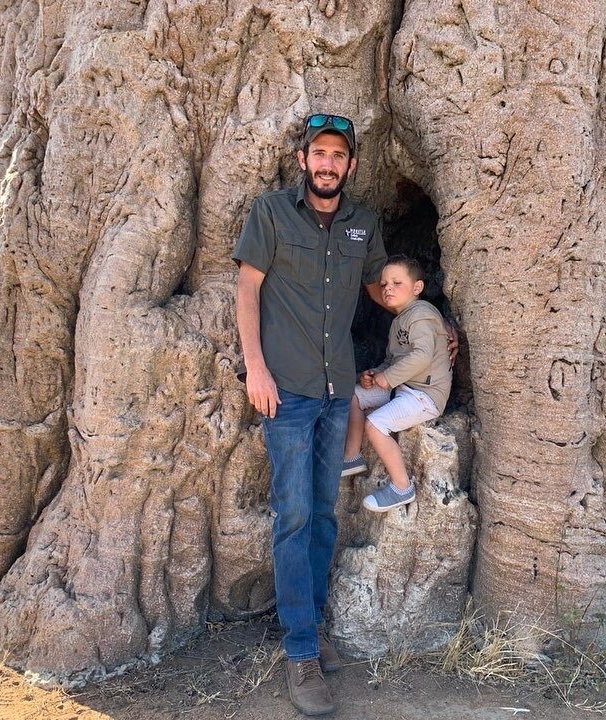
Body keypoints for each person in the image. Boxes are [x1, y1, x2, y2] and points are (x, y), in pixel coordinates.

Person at [233, 113, 387, 716]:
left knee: (324, 513)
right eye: (318, 153)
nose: (327, 164)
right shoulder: (272, 213)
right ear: (304, 160)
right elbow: (248, 288)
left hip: (335, 390)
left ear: (349, 166)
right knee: (293, 516)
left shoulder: (362, 224)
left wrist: (432, 322)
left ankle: (309, 629)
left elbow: (381, 290)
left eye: (338, 156)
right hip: (288, 392)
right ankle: (301, 653)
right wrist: (257, 369)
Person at [341, 255, 453, 511]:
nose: (387, 288)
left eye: (396, 282)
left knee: (376, 424)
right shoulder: (399, 320)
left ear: (417, 288)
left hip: (425, 395)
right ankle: (352, 456)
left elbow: (422, 355)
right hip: (403, 389)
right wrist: (375, 373)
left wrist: (388, 378)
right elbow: (393, 360)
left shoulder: (423, 314)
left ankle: (402, 487)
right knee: (355, 396)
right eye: (383, 284)